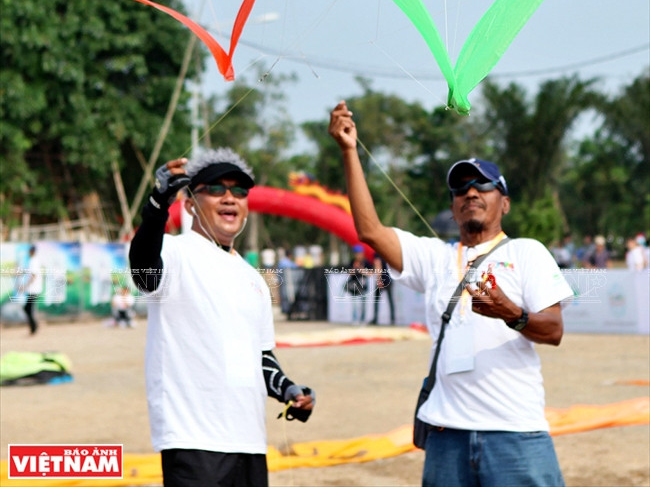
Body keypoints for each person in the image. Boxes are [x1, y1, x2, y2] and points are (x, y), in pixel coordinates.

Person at [329, 101, 573, 487]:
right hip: (447, 437)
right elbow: (370, 231)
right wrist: (348, 151)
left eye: (483, 185)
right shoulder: (436, 257)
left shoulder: (527, 251)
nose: (471, 191)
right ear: (452, 207)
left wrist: (512, 313)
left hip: (515, 433)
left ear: (504, 202)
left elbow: (554, 330)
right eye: (460, 188)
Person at [129, 148, 315, 487]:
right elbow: (143, 271)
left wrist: (288, 389)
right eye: (216, 189)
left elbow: (258, 357)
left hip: (248, 442)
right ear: (189, 204)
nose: (229, 198)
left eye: (239, 191)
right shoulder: (174, 252)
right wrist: (157, 204)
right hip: (192, 442)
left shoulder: (253, 278)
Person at [22, 245, 43, 334]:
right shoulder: (35, 261)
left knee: (27, 308)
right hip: (34, 289)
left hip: (33, 289)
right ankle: (34, 326)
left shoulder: (33, 261)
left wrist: (26, 286)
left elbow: (33, 275)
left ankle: (34, 326)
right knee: (28, 308)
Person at [369, 255, 395, 325]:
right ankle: (392, 319)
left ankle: (375, 319)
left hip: (382, 279)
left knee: (376, 300)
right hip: (389, 278)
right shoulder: (385, 253)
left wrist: (379, 279)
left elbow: (378, 266)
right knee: (390, 300)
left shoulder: (377, 254)